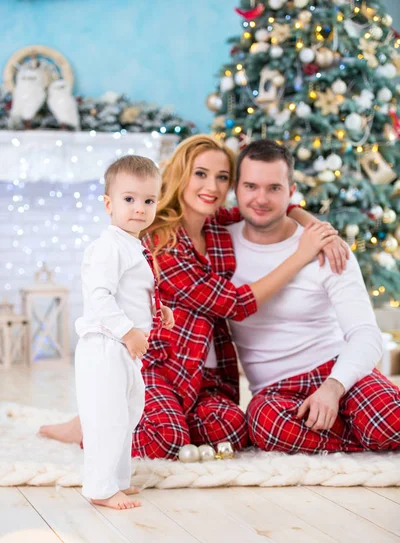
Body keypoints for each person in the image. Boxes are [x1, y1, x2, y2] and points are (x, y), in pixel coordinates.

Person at [40, 135, 346, 459]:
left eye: (222, 177)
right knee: (166, 440)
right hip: (161, 365)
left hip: (206, 373)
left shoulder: (216, 224)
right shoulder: (161, 241)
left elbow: (268, 209)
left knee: (232, 430)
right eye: (200, 174)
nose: (211, 186)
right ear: (181, 176)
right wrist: (303, 253)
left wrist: (316, 225)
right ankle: (93, 427)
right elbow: (236, 304)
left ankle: (148, 416)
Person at [227, 139, 400, 453]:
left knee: (389, 420)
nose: (261, 198)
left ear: (292, 192)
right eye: (251, 186)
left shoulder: (327, 246)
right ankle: (365, 439)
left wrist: (333, 388)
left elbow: (365, 333)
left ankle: (361, 431)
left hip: (336, 368)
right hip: (276, 389)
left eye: (274, 188)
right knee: (265, 424)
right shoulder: (219, 245)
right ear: (236, 189)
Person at [73, 155, 174, 510]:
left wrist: (157, 312)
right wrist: (128, 330)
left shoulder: (134, 245)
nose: (139, 209)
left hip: (124, 348)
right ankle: (99, 488)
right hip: (104, 345)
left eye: (148, 201)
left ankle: (117, 479)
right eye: (129, 199)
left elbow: (130, 292)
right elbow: (99, 295)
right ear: (108, 203)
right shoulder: (109, 246)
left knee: (128, 414)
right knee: (107, 418)